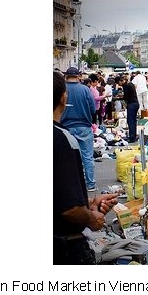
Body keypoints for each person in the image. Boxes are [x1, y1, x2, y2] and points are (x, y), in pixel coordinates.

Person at [54, 71, 118, 264]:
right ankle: (90, 183)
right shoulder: (61, 140)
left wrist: (86, 202)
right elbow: (69, 208)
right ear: (63, 98)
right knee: (87, 159)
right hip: (63, 245)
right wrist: (91, 216)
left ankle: (87, 190)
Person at [60, 66, 97, 191]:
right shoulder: (85, 90)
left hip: (65, 128)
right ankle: (90, 184)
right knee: (87, 157)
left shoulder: (62, 90)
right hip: (84, 127)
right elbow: (93, 109)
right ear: (79, 76)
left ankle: (70, 185)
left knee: (67, 158)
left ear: (66, 76)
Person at [118, 74, 140, 143]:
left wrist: (119, 97)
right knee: (133, 120)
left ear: (121, 81)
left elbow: (126, 97)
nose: (119, 84)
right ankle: (134, 135)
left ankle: (132, 137)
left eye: (119, 83)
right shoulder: (131, 84)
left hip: (131, 104)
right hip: (136, 103)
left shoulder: (125, 85)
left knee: (130, 121)